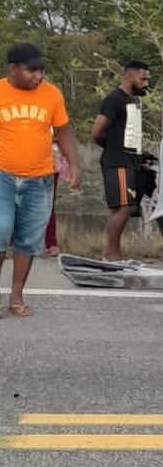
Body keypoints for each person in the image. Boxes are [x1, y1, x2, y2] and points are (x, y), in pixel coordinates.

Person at [0, 42, 82, 316]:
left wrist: (74, 164)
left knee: (29, 240)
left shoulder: (51, 95)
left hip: (40, 180)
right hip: (3, 177)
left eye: (41, 70)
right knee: (1, 230)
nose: (38, 76)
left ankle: (16, 296)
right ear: (13, 68)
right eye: (31, 70)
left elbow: (63, 131)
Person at [92, 59, 150, 262]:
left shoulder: (134, 101)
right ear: (129, 75)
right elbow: (97, 132)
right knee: (122, 207)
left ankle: (112, 252)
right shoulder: (114, 99)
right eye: (142, 78)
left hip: (131, 161)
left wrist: (138, 159)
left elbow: (131, 134)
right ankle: (112, 253)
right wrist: (115, 149)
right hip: (117, 161)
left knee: (126, 207)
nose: (146, 83)